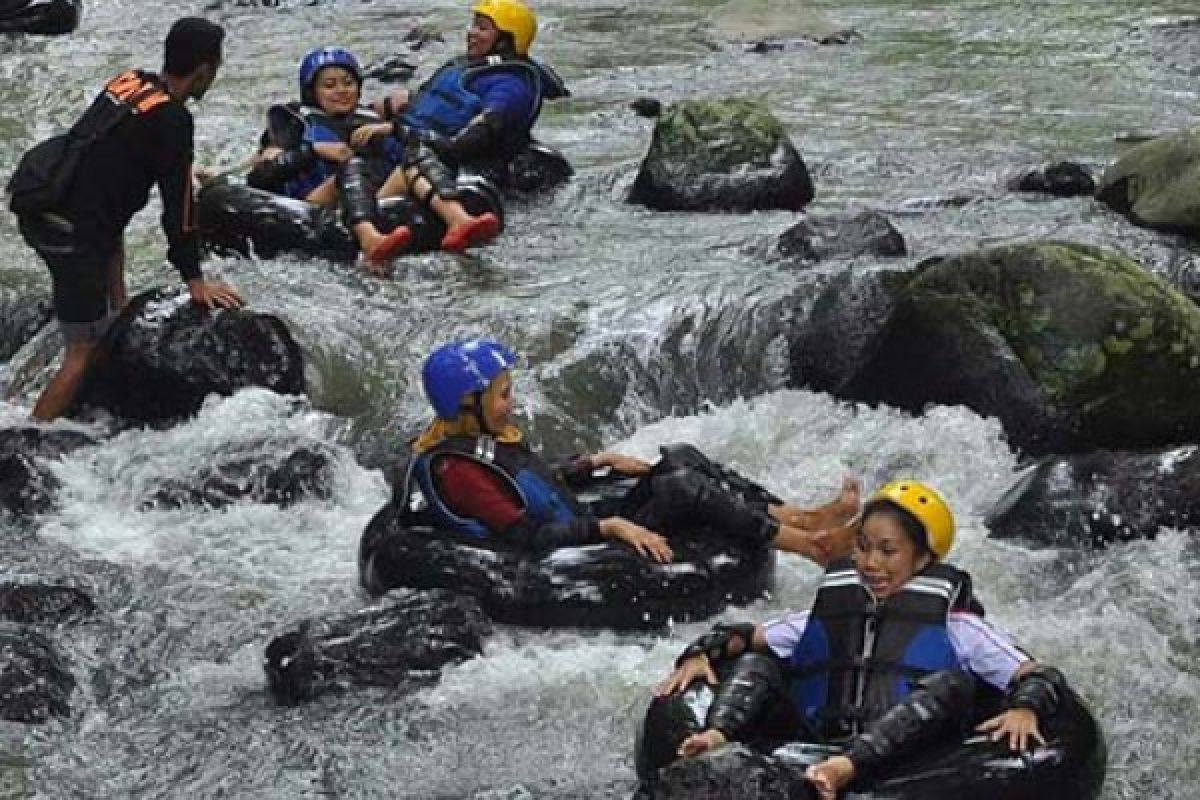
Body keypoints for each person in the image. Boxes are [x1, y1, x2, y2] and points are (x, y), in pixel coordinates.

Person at [654, 480, 1071, 800]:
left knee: (953, 683)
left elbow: (1037, 673)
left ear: (923, 559)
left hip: (902, 758)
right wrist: (699, 653)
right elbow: (744, 638)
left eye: (888, 551)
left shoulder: (958, 626)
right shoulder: (832, 610)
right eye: (863, 547)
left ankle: (845, 767)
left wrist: (1025, 708)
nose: (871, 563)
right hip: (814, 737)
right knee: (759, 663)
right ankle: (717, 737)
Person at [397, 337, 860, 563]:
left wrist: (594, 464)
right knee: (681, 487)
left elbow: (529, 478)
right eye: (502, 395)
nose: (512, 403)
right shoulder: (460, 472)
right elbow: (528, 537)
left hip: (572, 516)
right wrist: (613, 525)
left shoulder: (481, 439)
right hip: (569, 546)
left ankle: (799, 515)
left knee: (681, 455)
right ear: (467, 403)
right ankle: (809, 546)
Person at [14, 17, 244, 421]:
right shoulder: (174, 120)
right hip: (66, 230)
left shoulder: (130, 83)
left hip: (41, 200)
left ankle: (19, 385)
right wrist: (195, 280)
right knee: (80, 353)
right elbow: (180, 211)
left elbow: (108, 187)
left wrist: (121, 305)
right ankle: (24, 440)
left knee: (95, 313)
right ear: (205, 69)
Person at [348, 0, 568, 254]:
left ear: (506, 40)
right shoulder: (467, 66)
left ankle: (371, 227)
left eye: (483, 28)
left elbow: (472, 138)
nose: (471, 32)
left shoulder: (512, 85)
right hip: (406, 146)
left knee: (415, 155)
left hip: (441, 164)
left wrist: (398, 131)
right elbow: (426, 104)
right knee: (347, 148)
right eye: (474, 24)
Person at [246, 46, 414, 269]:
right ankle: (369, 240)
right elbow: (261, 176)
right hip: (313, 203)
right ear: (312, 91)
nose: (341, 90)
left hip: (371, 198)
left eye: (348, 83)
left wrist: (394, 129)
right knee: (351, 166)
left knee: (414, 163)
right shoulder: (293, 122)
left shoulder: (370, 120)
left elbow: (405, 155)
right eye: (329, 85)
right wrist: (314, 151)